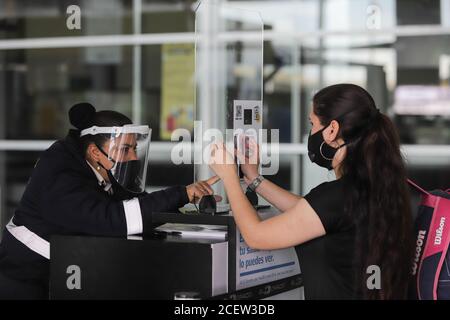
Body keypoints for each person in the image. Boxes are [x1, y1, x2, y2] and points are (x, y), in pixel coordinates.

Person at [209, 84, 414, 300]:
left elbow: (257, 236)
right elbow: (310, 212)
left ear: (332, 129)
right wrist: (254, 179)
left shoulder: (336, 196)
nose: (311, 132)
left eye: (312, 124)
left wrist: (230, 178)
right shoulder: (374, 189)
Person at [0, 102, 219, 300]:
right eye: (125, 149)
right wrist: (181, 194)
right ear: (95, 152)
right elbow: (111, 219)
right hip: (25, 281)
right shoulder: (60, 175)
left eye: (134, 149)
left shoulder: (93, 166)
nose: (133, 157)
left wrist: (184, 206)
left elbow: (135, 203)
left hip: (60, 274)